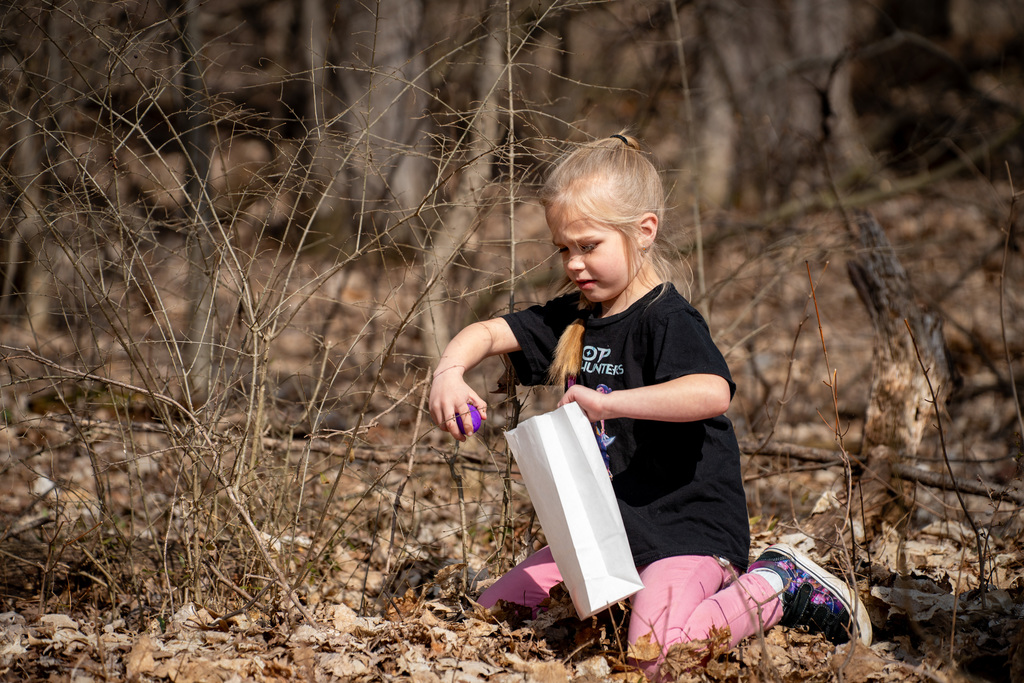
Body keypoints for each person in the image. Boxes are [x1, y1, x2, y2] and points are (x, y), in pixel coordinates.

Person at [428, 134, 872, 677]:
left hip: (687, 530)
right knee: (491, 615)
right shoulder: (578, 315)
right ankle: (633, 601)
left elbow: (712, 391)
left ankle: (778, 583)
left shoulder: (667, 319)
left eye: (589, 246)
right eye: (563, 249)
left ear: (644, 230)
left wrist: (609, 403)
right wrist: (449, 373)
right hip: (608, 536)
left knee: (657, 658)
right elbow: (486, 332)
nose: (573, 263)